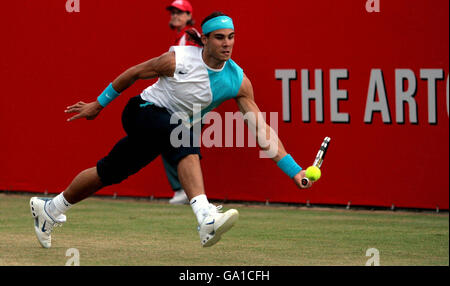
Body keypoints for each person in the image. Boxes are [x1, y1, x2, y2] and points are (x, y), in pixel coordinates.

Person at [29, 11, 313, 249]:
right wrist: (98, 105)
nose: (227, 44)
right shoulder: (178, 59)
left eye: (231, 37)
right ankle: (205, 218)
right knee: (184, 133)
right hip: (141, 111)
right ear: (204, 40)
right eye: (219, 37)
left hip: (168, 128)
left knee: (108, 172)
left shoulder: (238, 81)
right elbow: (134, 72)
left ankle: (50, 209)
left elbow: (262, 131)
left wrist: (295, 171)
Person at [165, 0, 201, 205]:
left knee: (182, 143)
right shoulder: (181, 37)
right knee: (180, 142)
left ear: (188, 16)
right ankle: (186, 190)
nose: (175, 15)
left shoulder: (190, 35)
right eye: (173, 12)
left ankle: (186, 191)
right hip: (184, 99)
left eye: (180, 12)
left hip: (191, 99)